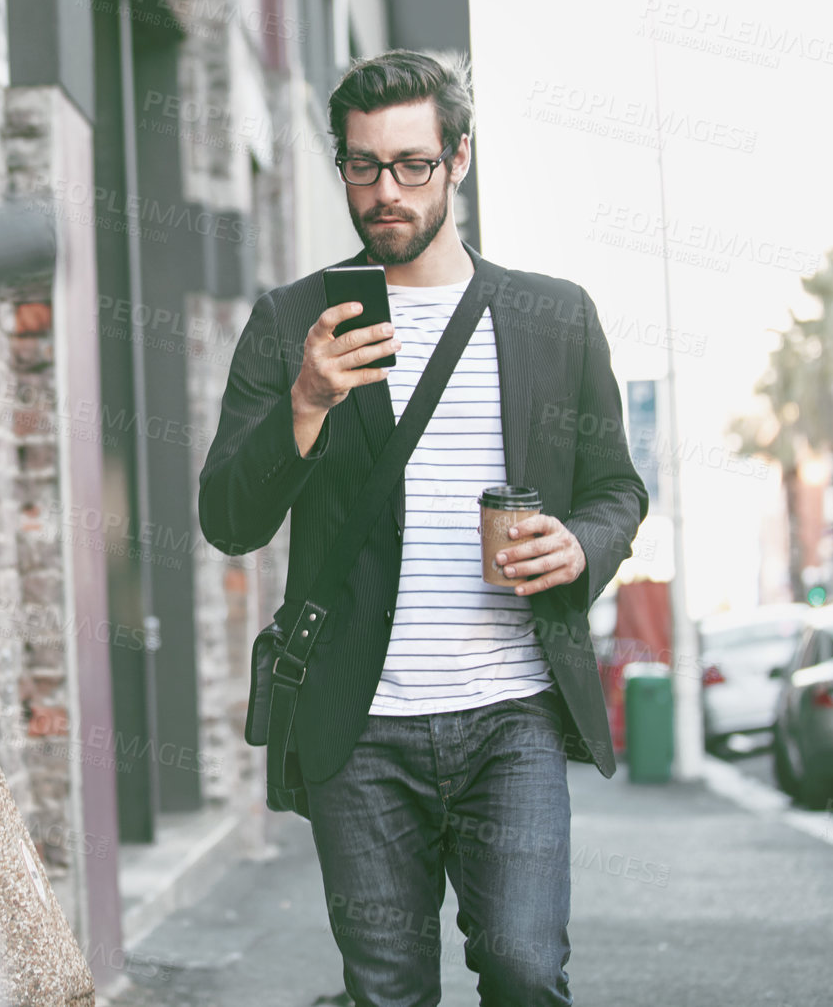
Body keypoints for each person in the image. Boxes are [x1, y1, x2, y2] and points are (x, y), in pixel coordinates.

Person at [197, 50, 648, 1006]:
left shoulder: (553, 316)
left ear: (459, 159)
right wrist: (306, 405)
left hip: (512, 717)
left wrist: (581, 547)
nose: (386, 191)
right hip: (359, 729)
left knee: (528, 971)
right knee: (389, 989)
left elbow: (616, 490)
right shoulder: (293, 322)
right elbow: (228, 518)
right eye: (363, 166)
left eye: (412, 165)